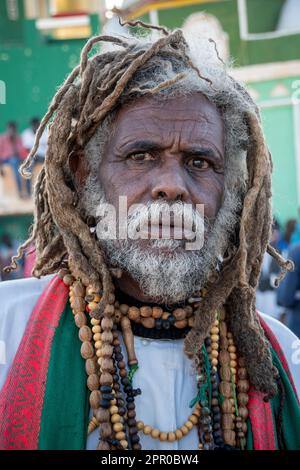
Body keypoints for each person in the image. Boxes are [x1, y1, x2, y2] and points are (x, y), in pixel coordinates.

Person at [0, 25, 299, 451]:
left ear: (230, 189)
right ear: (86, 174)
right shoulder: (9, 334)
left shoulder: (282, 360)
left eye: (199, 161)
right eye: (140, 156)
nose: (172, 186)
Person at [0, 122, 27, 198]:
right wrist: (1, 167)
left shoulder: (18, 138)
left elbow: (22, 151)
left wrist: (14, 142)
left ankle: (28, 191)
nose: (11, 131)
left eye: (13, 129)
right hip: (6, 159)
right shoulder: (2, 139)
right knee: (14, 162)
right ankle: (20, 191)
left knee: (28, 165)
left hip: (17, 158)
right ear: (7, 129)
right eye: (10, 129)